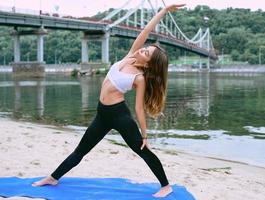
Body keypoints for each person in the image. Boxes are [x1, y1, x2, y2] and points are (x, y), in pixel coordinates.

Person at [32, 3, 186, 198]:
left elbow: (139, 108)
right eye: (146, 48)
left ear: (149, 63)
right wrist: (163, 11)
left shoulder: (139, 78)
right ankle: (53, 177)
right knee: (81, 150)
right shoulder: (130, 55)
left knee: (142, 150)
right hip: (102, 113)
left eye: (146, 53)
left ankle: (166, 185)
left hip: (119, 115)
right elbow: (147, 29)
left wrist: (145, 136)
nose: (143, 50)